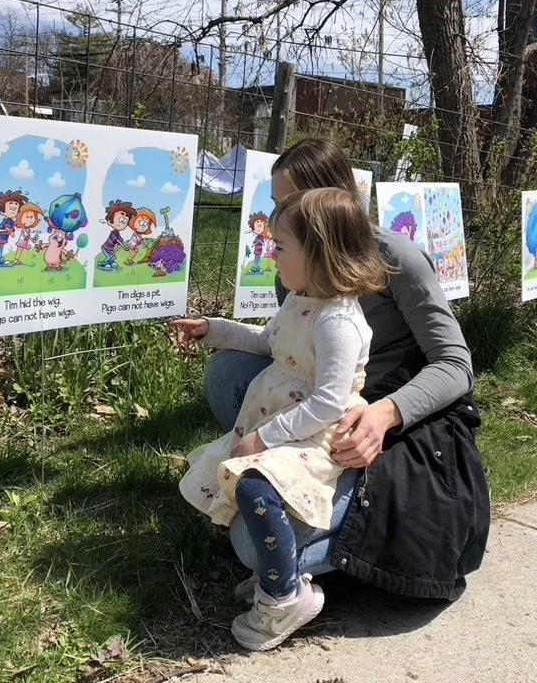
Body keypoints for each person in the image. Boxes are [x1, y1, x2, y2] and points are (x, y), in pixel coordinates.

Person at [199, 138, 490, 615]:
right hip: (318, 404)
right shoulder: (294, 265)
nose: (279, 217)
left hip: (384, 416)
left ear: (329, 205)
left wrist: (387, 414)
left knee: (251, 547)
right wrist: (217, 332)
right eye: (277, 205)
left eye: (287, 203)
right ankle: (278, 492)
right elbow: (286, 346)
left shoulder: (397, 257)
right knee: (227, 370)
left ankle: (303, 562)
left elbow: (456, 364)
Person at [174, 187, 388, 650]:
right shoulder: (300, 299)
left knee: (254, 484)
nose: (273, 256)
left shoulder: (337, 323)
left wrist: (266, 439)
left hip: (317, 436)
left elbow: (330, 402)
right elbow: (267, 341)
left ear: (319, 252)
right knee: (236, 477)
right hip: (286, 420)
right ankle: (279, 568)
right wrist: (215, 329)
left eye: (280, 247)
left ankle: (283, 596)